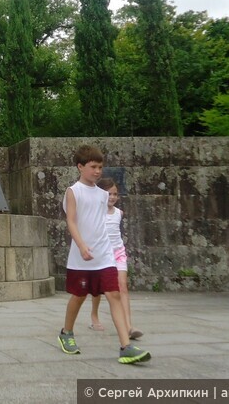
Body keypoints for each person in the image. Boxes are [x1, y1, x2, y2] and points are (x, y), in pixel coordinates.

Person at [58, 145, 150, 364]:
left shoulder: (103, 194)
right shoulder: (73, 191)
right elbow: (71, 220)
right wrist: (81, 246)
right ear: (80, 167)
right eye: (93, 167)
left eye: (100, 167)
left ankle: (125, 346)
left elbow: (104, 219)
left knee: (114, 294)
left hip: (104, 255)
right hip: (82, 257)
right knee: (79, 297)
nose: (98, 171)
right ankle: (66, 333)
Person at [87, 178, 143, 340]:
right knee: (97, 290)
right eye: (108, 194)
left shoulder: (119, 213)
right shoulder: (95, 212)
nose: (112, 197)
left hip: (118, 253)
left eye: (115, 194)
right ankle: (94, 316)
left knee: (122, 287)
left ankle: (128, 326)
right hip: (101, 254)